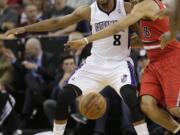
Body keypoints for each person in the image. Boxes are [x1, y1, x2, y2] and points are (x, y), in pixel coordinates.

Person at [5, 0, 150, 135]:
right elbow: (57, 22)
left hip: (119, 63)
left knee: (131, 98)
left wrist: (139, 38)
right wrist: (25, 28)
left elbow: (143, 34)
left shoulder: (126, 7)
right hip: (95, 63)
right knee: (64, 96)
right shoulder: (89, 11)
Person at [65, 0, 180, 134]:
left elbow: (117, 27)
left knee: (175, 109)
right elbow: (144, 40)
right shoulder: (140, 8)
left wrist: (86, 40)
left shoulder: (146, 5)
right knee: (147, 105)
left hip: (170, 59)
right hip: (154, 61)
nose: (129, 1)